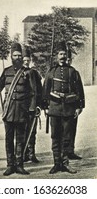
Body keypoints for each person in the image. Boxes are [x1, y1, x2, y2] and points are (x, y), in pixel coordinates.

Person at [0, 43, 37, 176]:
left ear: (22, 57)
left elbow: (34, 93)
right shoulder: (6, 71)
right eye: (15, 55)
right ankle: (10, 165)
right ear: (11, 56)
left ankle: (19, 165)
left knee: (21, 139)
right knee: (9, 139)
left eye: (19, 55)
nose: (17, 58)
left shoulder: (28, 72)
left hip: (22, 111)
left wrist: (32, 108)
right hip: (9, 111)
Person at [43, 41, 85, 174]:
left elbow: (79, 90)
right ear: (56, 56)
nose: (62, 56)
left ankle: (65, 163)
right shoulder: (51, 72)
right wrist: (45, 106)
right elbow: (45, 90)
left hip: (68, 109)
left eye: (64, 54)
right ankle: (57, 163)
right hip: (54, 109)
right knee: (55, 137)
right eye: (60, 54)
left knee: (67, 137)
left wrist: (79, 106)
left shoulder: (73, 72)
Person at [22, 47, 43, 163]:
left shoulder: (34, 73)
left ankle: (31, 153)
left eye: (27, 60)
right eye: (24, 60)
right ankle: (22, 154)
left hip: (32, 106)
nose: (26, 62)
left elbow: (39, 90)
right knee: (22, 131)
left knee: (32, 131)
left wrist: (39, 105)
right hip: (21, 107)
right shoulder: (18, 73)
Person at [66, 49, 83, 160]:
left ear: (71, 60)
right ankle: (62, 153)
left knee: (72, 129)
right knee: (61, 131)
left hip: (72, 106)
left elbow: (79, 91)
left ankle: (70, 151)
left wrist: (79, 106)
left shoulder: (75, 73)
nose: (67, 61)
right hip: (59, 106)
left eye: (69, 59)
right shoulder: (56, 72)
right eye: (65, 59)